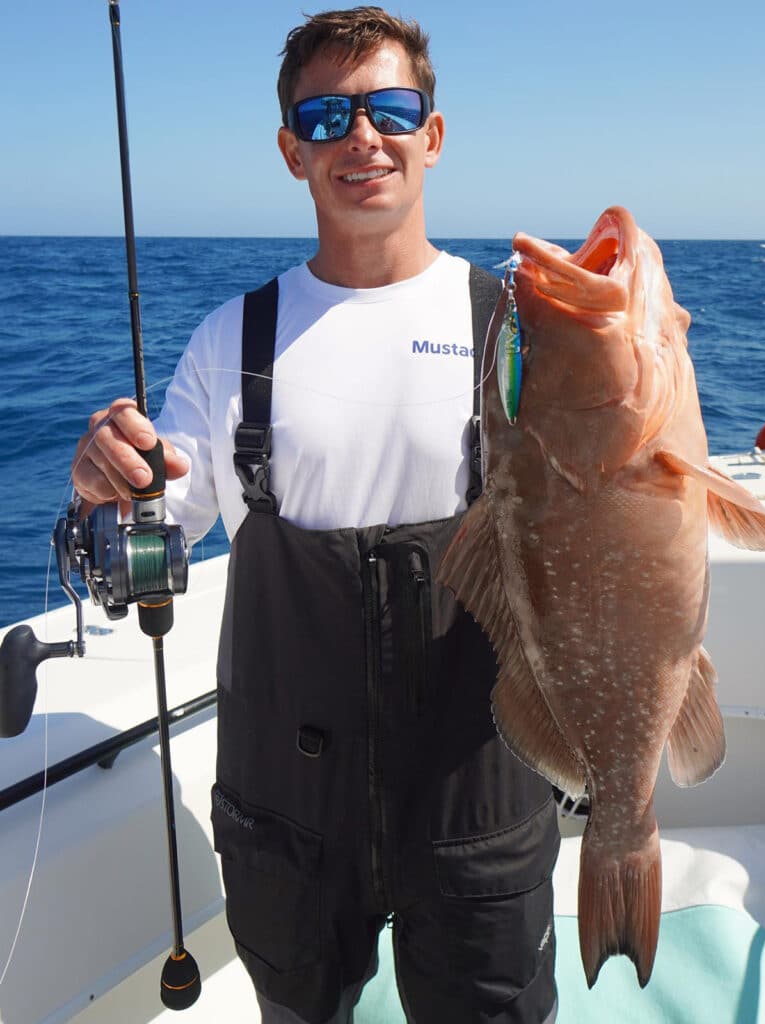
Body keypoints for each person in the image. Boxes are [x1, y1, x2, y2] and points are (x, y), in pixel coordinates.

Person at [71, 8, 560, 1023]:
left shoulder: (512, 330)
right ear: (293, 150)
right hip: (286, 816)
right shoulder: (229, 339)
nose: (361, 137)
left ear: (432, 133)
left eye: (389, 108)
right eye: (328, 116)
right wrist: (105, 494)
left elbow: (596, 516)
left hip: (480, 799)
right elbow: (162, 531)